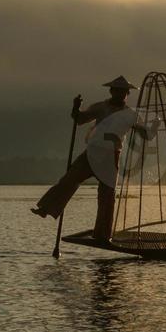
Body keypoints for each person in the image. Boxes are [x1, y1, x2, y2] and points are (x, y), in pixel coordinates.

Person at [32, 76, 136, 240]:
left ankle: (102, 234)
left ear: (127, 94)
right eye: (117, 91)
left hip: (110, 156)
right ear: (111, 91)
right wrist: (76, 108)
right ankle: (46, 208)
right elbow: (80, 119)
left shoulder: (130, 114)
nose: (120, 94)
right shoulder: (101, 107)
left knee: (107, 196)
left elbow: (143, 132)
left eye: (123, 92)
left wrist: (152, 126)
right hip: (92, 153)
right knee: (69, 179)